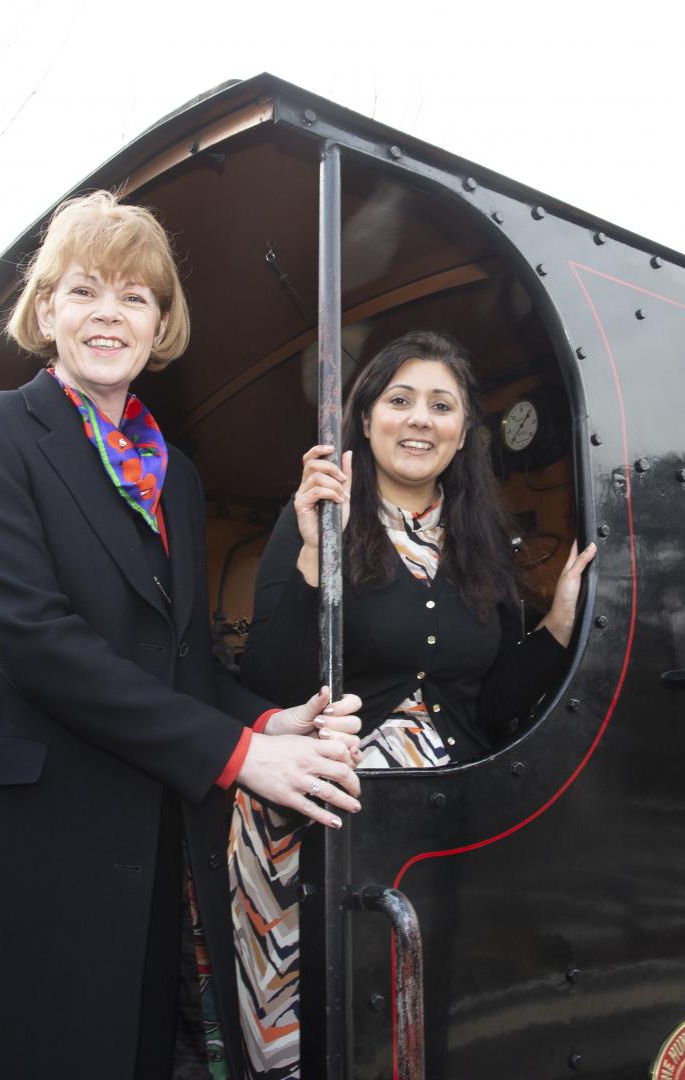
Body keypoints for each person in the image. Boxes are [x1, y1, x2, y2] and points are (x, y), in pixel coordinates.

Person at [0, 191, 365, 1079]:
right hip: (41, 842)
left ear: (161, 324)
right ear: (46, 309)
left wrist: (267, 721)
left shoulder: (177, 476)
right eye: (86, 291)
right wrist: (237, 755)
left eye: (135, 298)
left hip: (159, 841)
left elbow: (180, 655)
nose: (108, 315)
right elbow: (28, 636)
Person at [232, 329, 595, 1078]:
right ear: (365, 419)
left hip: (445, 819)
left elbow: (487, 706)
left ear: (464, 434)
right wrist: (307, 555)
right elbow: (269, 680)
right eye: (399, 400)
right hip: (314, 818)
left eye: (440, 404)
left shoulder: (481, 543)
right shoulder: (315, 517)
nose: (419, 419)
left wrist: (559, 627)